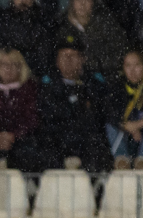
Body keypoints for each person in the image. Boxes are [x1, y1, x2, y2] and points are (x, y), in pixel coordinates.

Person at [36, 34, 111, 172]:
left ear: (83, 59)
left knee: (98, 152)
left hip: (87, 139)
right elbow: (49, 116)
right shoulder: (47, 84)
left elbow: (98, 115)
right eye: (64, 55)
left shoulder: (95, 83)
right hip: (57, 138)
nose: (68, 60)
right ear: (57, 60)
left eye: (73, 55)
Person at [61, 0, 124, 81]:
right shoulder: (63, 24)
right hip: (70, 79)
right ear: (72, 2)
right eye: (78, 0)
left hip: (105, 77)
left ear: (93, 2)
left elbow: (120, 51)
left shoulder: (106, 22)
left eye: (87, 0)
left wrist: (92, 65)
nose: (82, 4)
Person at [0, 0, 49, 71]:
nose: (23, 1)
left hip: (34, 72)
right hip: (5, 71)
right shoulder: (0, 18)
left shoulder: (44, 20)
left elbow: (44, 54)